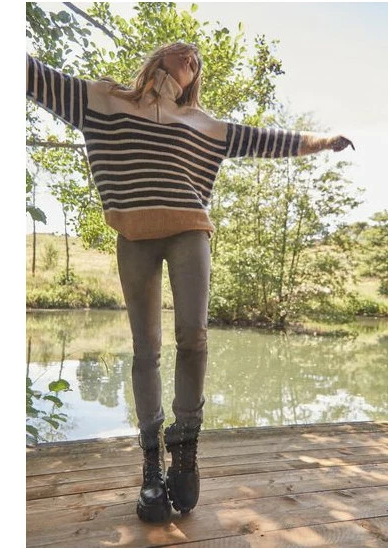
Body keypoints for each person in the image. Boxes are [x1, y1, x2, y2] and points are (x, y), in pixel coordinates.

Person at [26, 41, 354, 523]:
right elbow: (36, 77)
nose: (192, 60)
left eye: (197, 62)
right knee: (145, 350)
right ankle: (150, 467)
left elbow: (265, 140)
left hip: (189, 231)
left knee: (194, 338)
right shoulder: (102, 100)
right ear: (159, 58)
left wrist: (322, 141)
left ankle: (184, 449)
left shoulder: (205, 125)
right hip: (134, 234)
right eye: (185, 53)